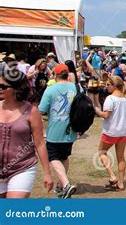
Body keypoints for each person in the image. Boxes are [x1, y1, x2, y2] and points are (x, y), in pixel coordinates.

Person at [0, 68, 54, 198]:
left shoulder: (31, 111)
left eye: (2, 86)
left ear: (16, 88)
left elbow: (39, 143)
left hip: (22, 167)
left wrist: (47, 173)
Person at [38, 64, 78, 198]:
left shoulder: (50, 90)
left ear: (55, 75)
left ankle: (66, 184)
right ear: (67, 74)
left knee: (53, 157)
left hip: (55, 131)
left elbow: (41, 110)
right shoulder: (77, 87)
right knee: (64, 157)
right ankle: (61, 187)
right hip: (71, 130)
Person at [94, 76, 126, 191]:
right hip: (124, 131)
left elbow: (106, 115)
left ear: (114, 86)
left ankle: (112, 176)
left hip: (111, 131)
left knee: (101, 152)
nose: (106, 87)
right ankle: (120, 183)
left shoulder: (110, 99)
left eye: (108, 85)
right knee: (121, 157)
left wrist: (97, 111)